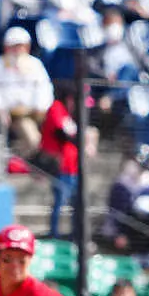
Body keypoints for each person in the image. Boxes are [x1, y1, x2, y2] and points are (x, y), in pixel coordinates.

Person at [39, 80, 99, 239]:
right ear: (70, 98)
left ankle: (75, 235)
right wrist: (84, 140)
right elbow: (62, 134)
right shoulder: (57, 107)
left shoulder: (70, 114)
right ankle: (54, 235)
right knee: (59, 202)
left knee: (76, 203)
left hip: (73, 167)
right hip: (60, 167)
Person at [0, 27, 53, 159]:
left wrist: (41, 107)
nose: (17, 50)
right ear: (6, 47)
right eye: (14, 46)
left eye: (21, 46)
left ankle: (18, 161)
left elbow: (45, 89)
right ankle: (14, 162)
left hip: (36, 113)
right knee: (32, 139)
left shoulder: (35, 65)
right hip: (12, 116)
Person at [101, 149, 149, 269]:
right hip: (126, 232)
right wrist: (118, 234)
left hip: (147, 235)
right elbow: (114, 211)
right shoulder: (121, 185)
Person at [88, 9, 149, 114]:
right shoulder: (99, 51)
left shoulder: (130, 45)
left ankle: (111, 97)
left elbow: (146, 61)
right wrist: (107, 75)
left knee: (127, 69)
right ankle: (111, 97)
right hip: (110, 82)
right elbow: (92, 67)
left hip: (133, 79)